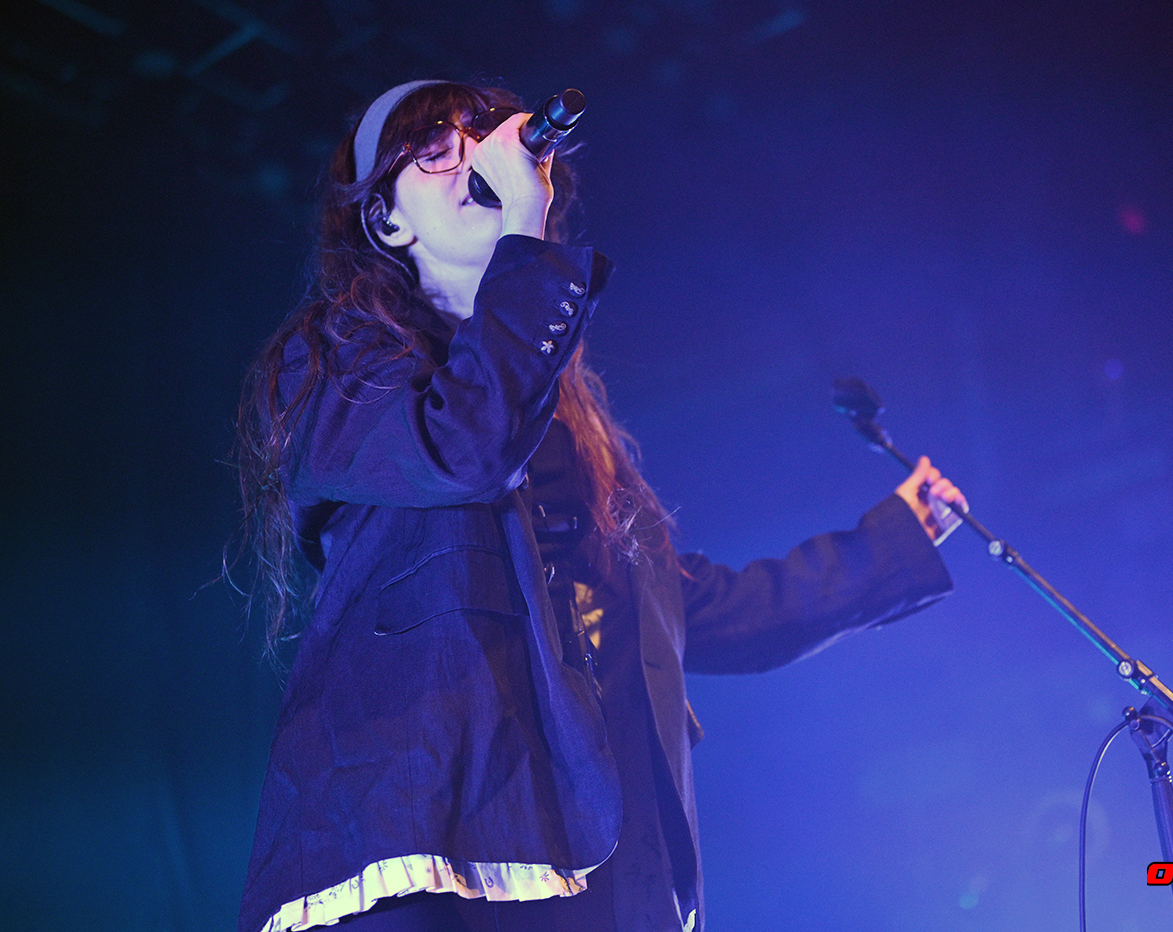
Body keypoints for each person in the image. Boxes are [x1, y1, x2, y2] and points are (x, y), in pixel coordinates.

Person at [234, 80, 966, 932]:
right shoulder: (334, 364)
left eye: (481, 134)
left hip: (590, 860)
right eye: (434, 149)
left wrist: (892, 544)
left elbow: (686, 613)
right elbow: (461, 449)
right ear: (387, 223)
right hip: (428, 848)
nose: (473, 155)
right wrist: (525, 230)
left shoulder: (556, 425)